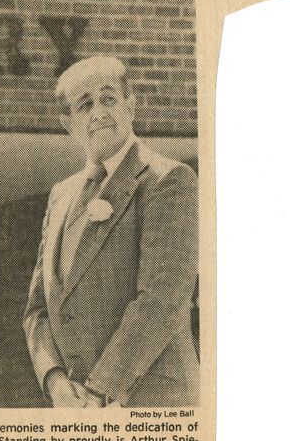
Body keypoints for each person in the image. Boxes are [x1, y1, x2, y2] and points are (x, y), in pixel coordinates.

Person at [23, 56, 199, 408]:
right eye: (85, 105)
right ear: (68, 124)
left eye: (108, 99)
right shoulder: (60, 196)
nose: (98, 113)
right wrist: (55, 381)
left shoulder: (169, 180)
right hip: (78, 411)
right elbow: (37, 309)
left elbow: (161, 298)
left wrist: (100, 389)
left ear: (130, 106)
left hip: (152, 404)